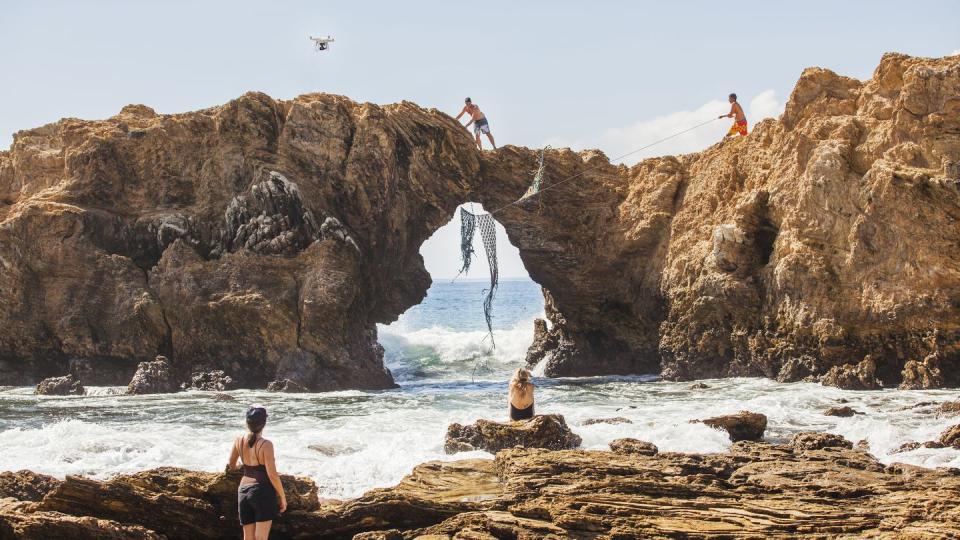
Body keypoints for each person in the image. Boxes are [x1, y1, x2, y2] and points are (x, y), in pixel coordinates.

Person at [227, 406, 287, 540]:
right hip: (262, 491)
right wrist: (282, 497)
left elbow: (231, 465)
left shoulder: (239, 440)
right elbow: (272, 474)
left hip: (243, 491)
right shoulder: (266, 444)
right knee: (260, 537)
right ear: (264, 424)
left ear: (247, 423)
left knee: (248, 537)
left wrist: (240, 467)